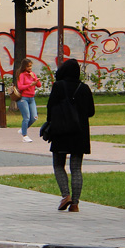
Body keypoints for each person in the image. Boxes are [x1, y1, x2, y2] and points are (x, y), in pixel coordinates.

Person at [45, 58, 95, 212]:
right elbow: (91, 112)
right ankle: (75, 204)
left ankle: (65, 195)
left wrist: (50, 124)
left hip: (61, 131)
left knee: (58, 164)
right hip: (80, 133)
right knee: (76, 168)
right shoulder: (84, 88)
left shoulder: (58, 86)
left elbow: (50, 108)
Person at [15, 58, 42, 143]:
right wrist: (30, 84)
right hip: (24, 98)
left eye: (30, 66)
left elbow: (39, 85)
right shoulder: (22, 75)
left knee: (34, 117)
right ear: (24, 67)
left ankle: (23, 129)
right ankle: (25, 136)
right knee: (26, 117)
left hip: (31, 98)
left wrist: (34, 79)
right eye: (28, 66)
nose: (30, 68)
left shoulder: (32, 74)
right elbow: (20, 87)